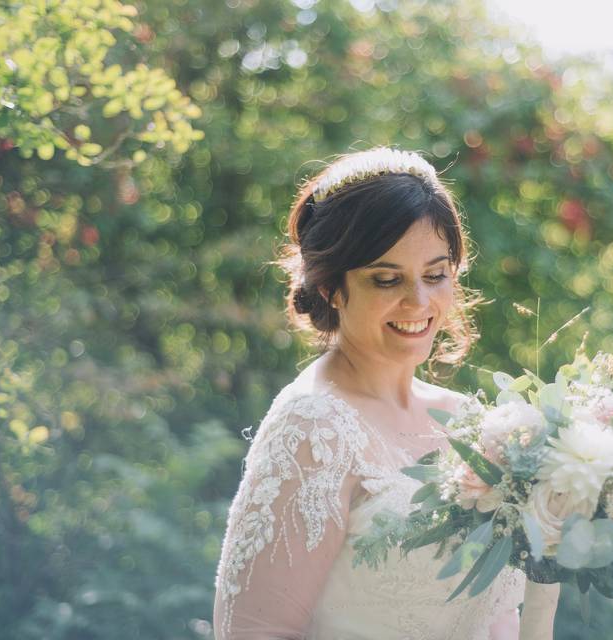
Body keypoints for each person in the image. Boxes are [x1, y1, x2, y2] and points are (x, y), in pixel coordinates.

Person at [213, 146, 560, 639]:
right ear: (331, 286)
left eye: (435, 274)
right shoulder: (313, 429)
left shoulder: (470, 423)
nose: (418, 301)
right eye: (386, 278)